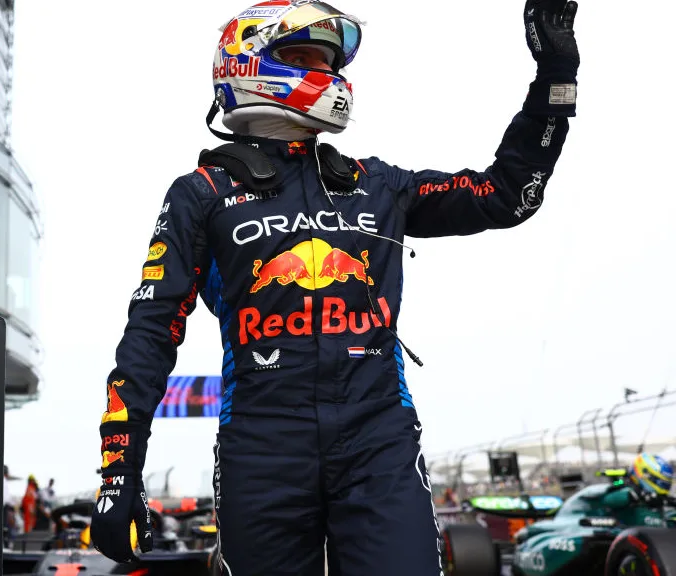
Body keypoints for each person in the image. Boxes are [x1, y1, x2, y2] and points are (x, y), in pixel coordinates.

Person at [89, 1, 580, 574]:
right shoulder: (202, 192)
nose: (326, 77)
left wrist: (556, 80)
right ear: (246, 65)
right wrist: (119, 471)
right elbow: (150, 332)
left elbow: (507, 195)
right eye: (302, 59)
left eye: (329, 63)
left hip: (379, 440)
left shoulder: (377, 184)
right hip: (262, 444)